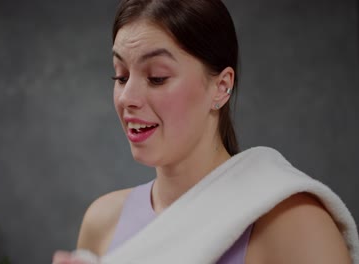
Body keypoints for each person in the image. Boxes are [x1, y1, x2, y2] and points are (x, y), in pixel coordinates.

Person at [53, 0, 358, 263]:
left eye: (157, 77)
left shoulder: (293, 224)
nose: (126, 98)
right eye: (120, 76)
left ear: (221, 87)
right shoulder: (103, 221)